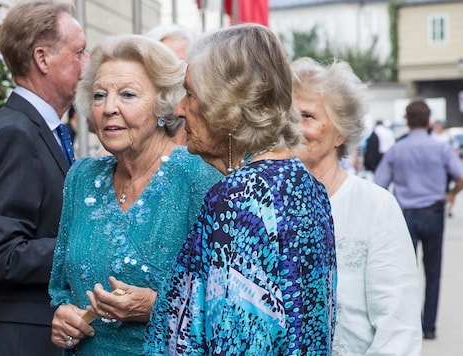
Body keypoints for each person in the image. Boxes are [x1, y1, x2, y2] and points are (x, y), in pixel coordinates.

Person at [144, 24, 336, 354]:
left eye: (190, 93)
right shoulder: (309, 187)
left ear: (227, 108)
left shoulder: (236, 201)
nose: (179, 108)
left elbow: (236, 340)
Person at [48, 34, 222, 355]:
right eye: (99, 95)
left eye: (127, 94)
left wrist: (156, 305)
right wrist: (62, 316)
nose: (109, 108)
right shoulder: (82, 177)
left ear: (163, 105)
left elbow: (225, 303)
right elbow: (60, 285)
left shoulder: (198, 178)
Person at [0, 2, 88, 355]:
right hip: (17, 343)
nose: (86, 63)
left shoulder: (39, 128)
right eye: (78, 52)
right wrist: (84, 245)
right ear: (42, 59)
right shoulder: (16, 134)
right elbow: (3, 253)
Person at [291, 57, 422, 355]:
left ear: (340, 132)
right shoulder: (265, 205)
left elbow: (398, 327)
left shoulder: (375, 207)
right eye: (286, 116)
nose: (293, 127)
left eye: (307, 116)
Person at [374, 100, 463, 340]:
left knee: (405, 272)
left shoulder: (397, 149)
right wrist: (450, 194)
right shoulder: (441, 148)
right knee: (433, 271)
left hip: (405, 214)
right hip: (434, 212)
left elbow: (379, 185)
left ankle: (410, 324)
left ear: (407, 120)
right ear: (429, 121)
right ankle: (429, 327)